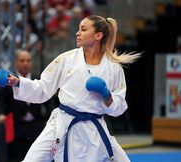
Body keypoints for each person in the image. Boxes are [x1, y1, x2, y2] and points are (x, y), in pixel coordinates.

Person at [7, 15, 140, 162]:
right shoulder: (66, 59)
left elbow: (119, 108)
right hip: (61, 123)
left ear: (98, 35)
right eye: (78, 29)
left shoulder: (114, 68)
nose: (77, 33)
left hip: (92, 129)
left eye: (83, 29)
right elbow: (43, 88)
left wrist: (106, 94)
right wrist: (18, 82)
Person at [0, 50, 51, 162]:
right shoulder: (8, 79)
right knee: (1, 128)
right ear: (16, 62)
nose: (25, 63)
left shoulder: (38, 78)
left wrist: (52, 117)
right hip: (15, 122)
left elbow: (49, 100)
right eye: (22, 60)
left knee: (53, 129)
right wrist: (0, 115)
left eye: (28, 60)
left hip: (37, 122)